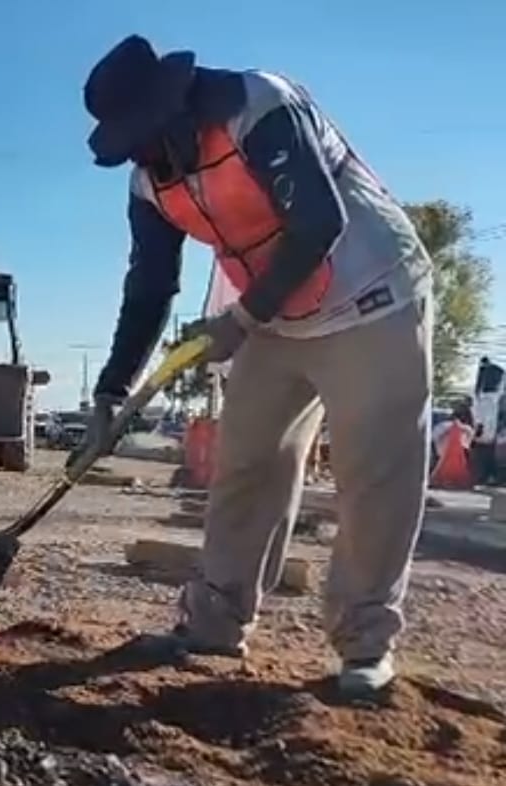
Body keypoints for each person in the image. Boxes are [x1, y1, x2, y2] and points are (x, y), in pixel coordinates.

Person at [81, 36, 432, 697]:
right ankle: (215, 624)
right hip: (276, 313)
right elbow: (150, 287)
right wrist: (110, 391)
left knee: (373, 474)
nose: (145, 154)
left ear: (176, 103)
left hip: (372, 294)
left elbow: (318, 222)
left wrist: (240, 321)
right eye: (130, 145)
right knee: (247, 463)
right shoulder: (148, 184)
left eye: (148, 135)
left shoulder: (258, 106)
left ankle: (364, 649)